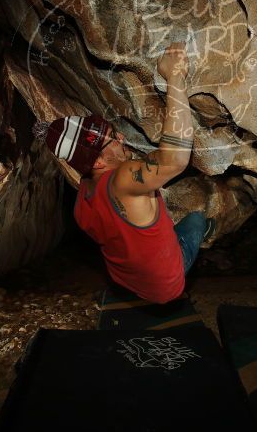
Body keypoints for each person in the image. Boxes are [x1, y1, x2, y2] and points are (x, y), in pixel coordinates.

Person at [32, 42, 215, 304]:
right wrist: (175, 76)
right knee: (197, 219)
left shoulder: (82, 199)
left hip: (128, 282)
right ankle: (206, 231)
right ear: (97, 163)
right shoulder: (123, 178)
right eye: (112, 140)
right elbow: (174, 160)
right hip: (166, 286)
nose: (120, 136)